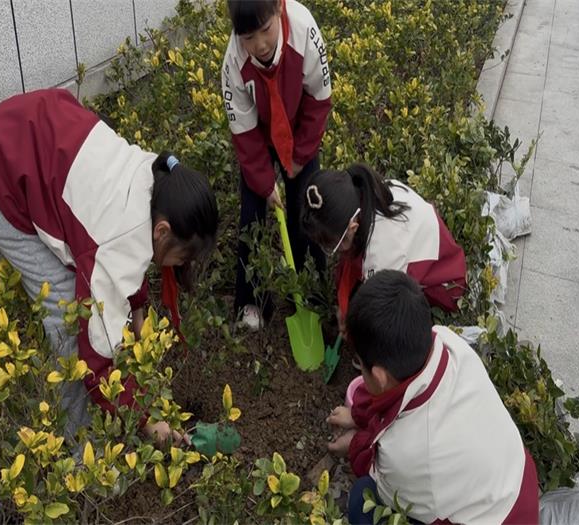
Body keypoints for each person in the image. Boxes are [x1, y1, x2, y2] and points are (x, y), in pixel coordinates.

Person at [0, 88, 218, 444]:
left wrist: (137, 308)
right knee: (66, 314)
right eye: (183, 257)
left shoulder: (158, 180)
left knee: (85, 277)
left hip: (29, 129)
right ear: (162, 231)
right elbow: (96, 355)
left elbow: (127, 250)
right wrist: (145, 421)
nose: (181, 265)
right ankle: (80, 447)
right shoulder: (116, 239)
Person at [326, 270, 539, 524]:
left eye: (361, 364)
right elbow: (395, 400)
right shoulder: (448, 341)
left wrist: (354, 444)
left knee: (362, 501)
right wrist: (358, 415)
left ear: (380, 376)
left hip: (502, 517)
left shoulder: (405, 455)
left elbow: (379, 472)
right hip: (515, 482)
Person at [221, 0, 332, 329]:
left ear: (279, 10)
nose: (260, 44)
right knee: (251, 217)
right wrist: (266, 183)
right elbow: (244, 134)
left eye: (265, 30)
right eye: (248, 37)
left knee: (308, 209)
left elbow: (319, 100)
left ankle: (313, 292)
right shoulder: (234, 62)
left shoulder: (303, 30)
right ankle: (251, 300)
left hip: (299, 128)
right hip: (259, 134)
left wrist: (299, 157)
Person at [301, 163, 467, 336]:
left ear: (352, 227)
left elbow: (382, 317)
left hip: (444, 286)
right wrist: (344, 306)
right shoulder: (368, 193)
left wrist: (356, 331)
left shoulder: (383, 252)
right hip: (418, 254)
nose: (335, 251)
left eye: (333, 244)